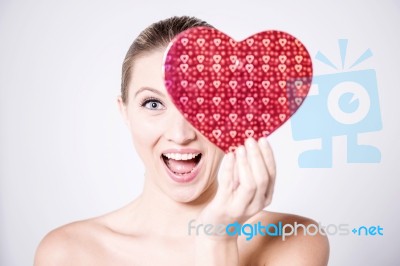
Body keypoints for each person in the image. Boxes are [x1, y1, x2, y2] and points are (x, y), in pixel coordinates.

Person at [34, 16, 329, 265]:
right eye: (153, 104)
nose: (181, 134)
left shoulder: (293, 240)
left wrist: (218, 238)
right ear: (124, 112)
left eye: (204, 104)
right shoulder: (67, 252)